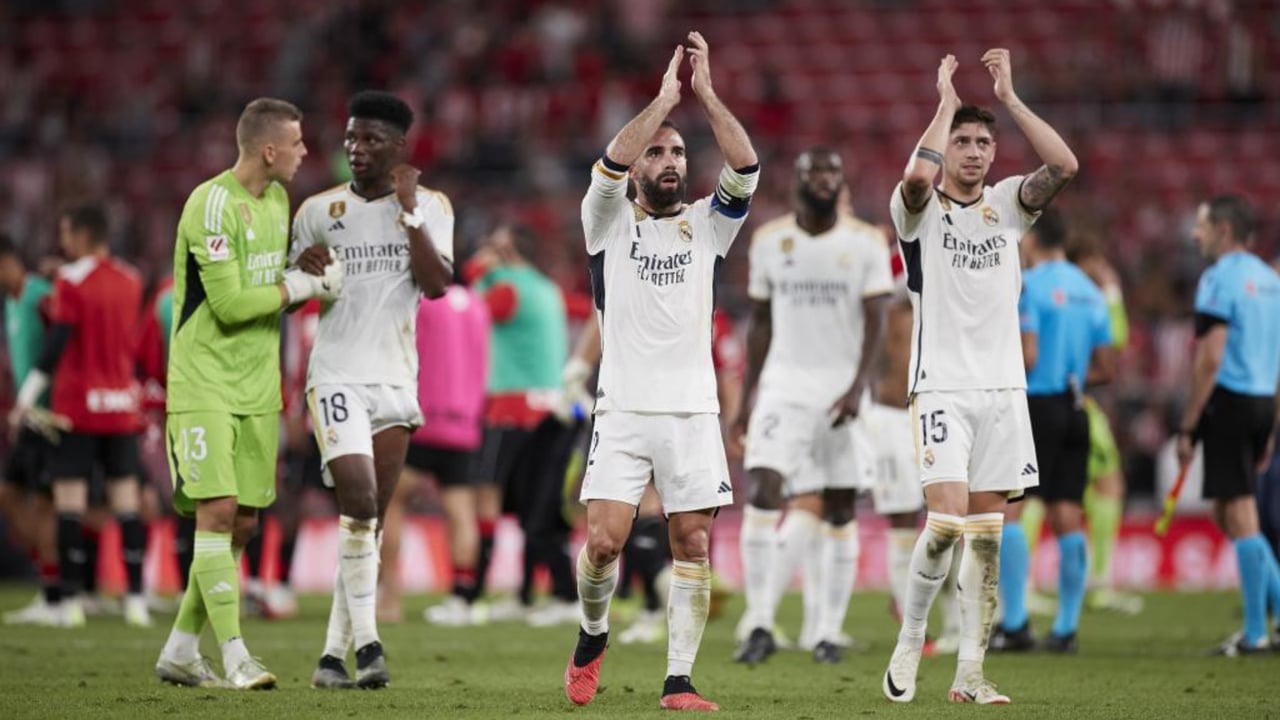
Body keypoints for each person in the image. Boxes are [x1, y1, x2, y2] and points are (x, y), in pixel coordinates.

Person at [564, 32, 758, 711]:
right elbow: (608, 164)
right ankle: (592, 636)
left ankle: (678, 679)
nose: (670, 159)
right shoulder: (606, 223)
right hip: (622, 409)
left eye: (677, 151)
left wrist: (705, 96)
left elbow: (747, 167)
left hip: (693, 412)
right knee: (603, 544)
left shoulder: (709, 225)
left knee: (694, 540)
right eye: (658, 151)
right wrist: (662, 100)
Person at [880, 49, 1078, 705]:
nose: (970, 151)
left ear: (995, 152)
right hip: (940, 387)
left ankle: (970, 673)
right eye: (961, 140)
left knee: (988, 544)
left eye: (981, 141)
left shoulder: (1008, 205)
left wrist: (1012, 99)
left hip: (1003, 394)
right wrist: (943, 104)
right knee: (944, 524)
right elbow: (915, 178)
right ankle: (910, 641)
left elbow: (1064, 166)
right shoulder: (917, 211)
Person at [154, 97, 342, 690]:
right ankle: (235, 654)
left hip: (257, 387)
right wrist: (300, 284)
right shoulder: (211, 204)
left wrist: (303, 271)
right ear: (269, 150)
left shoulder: (279, 201)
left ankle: (182, 648)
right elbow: (233, 305)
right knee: (216, 512)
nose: (305, 152)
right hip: (204, 380)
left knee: (243, 525)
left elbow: (270, 281)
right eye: (298, 143)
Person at [295, 91, 453, 689]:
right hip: (336, 374)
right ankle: (370, 647)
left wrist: (409, 211)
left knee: (369, 523)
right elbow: (290, 295)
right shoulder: (316, 211)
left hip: (396, 380)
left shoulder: (433, 206)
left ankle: (331, 657)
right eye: (351, 139)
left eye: (370, 141)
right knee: (358, 503)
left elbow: (436, 285)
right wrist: (301, 272)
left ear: (399, 148)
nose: (356, 150)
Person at [731, 147, 890, 665]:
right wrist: (747, 400)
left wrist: (858, 386)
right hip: (784, 386)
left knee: (841, 507)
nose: (824, 178)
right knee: (764, 487)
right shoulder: (770, 241)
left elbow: (877, 322)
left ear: (841, 181)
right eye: (814, 171)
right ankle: (759, 623)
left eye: (832, 171)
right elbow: (760, 324)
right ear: (796, 181)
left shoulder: (865, 242)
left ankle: (826, 631)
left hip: (843, 389)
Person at [9, 205, 149, 629]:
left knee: (69, 505)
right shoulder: (132, 280)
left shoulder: (71, 283)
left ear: (83, 235)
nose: (62, 240)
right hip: (120, 405)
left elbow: (56, 345)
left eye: (66, 231)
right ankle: (136, 602)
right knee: (126, 504)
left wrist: (27, 398)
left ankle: (70, 602)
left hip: (76, 409)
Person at [990, 208, 1114, 654]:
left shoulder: (1029, 285)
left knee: (1012, 511)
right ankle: (1065, 629)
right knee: (1067, 516)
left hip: (1034, 405)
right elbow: (1106, 367)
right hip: (1076, 405)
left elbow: (1027, 354)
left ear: (1033, 239)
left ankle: (1017, 623)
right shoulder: (1091, 291)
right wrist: (1073, 377)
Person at [1176, 195, 1280, 656]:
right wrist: (1272, 423)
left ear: (1222, 228)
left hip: (1230, 402)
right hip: (1261, 401)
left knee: (1239, 515)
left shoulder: (1218, 279)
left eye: (1201, 226)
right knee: (1231, 515)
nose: (1195, 236)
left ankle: (1257, 633)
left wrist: (1189, 424)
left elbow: (1210, 356)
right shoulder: (1270, 280)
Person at [460, 225, 576, 625]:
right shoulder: (546, 287)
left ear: (505, 251)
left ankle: (470, 595)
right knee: (532, 505)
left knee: (486, 497)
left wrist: (478, 269)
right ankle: (527, 593)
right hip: (548, 408)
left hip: (509, 407)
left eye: (490, 244)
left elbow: (472, 316)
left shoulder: (506, 287)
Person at [392, 284, 489, 626]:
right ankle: (462, 598)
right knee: (461, 512)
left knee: (393, 502)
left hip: (425, 418)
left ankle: (388, 597)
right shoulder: (478, 306)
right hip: (465, 423)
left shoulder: (424, 303)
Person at [1070, 236, 1143, 615]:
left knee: (1040, 492)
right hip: (1073, 400)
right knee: (1106, 484)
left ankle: (1024, 585)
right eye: (1095, 259)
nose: (1100, 268)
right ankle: (1098, 582)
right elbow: (1116, 339)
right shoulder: (1084, 295)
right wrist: (1111, 290)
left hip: (1050, 399)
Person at [0, 235, 60, 625]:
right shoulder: (10, 300)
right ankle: (51, 578)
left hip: (49, 416)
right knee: (8, 495)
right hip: (27, 418)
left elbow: (66, 335)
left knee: (45, 505)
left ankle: (55, 594)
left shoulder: (40, 293)